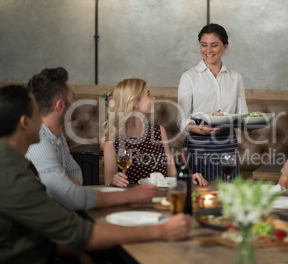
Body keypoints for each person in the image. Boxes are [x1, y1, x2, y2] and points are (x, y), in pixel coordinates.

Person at [0, 85, 191, 264]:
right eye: (37, 115)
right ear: (24, 123)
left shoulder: (19, 161)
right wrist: (160, 231)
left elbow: (44, 229)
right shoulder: (12, 175)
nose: (42, 122)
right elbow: (76, 232)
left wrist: (79, 255)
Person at [25, 67, 158, 211]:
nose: (75, 103)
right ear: (60, 106)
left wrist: (66, 186)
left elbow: (76, 172)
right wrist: (130, 196)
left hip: (59, 212)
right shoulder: (38, 141)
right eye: (73, 97)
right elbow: (71, 197)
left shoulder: (57, 135)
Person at [103, 78, 208, 187]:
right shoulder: (112, 143)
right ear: (135, 102)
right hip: (134, 201)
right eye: (148, 94)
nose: (153, 98)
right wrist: (113, 182)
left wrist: (188, 178)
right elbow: (108, 185)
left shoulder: (159, 131)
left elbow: (172, 176)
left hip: (163, 199)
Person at [177, 23, 248, 181]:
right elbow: (182, 119)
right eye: (204, 45)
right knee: (199, 195)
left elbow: (243, 114)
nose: (208, 50)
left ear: (225, 46)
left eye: (214, 45)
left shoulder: (235, 77)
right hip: (198, 143)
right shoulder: (189, 77)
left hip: (227, 143)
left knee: (228, 195)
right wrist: (198, 129)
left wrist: (253, 124)